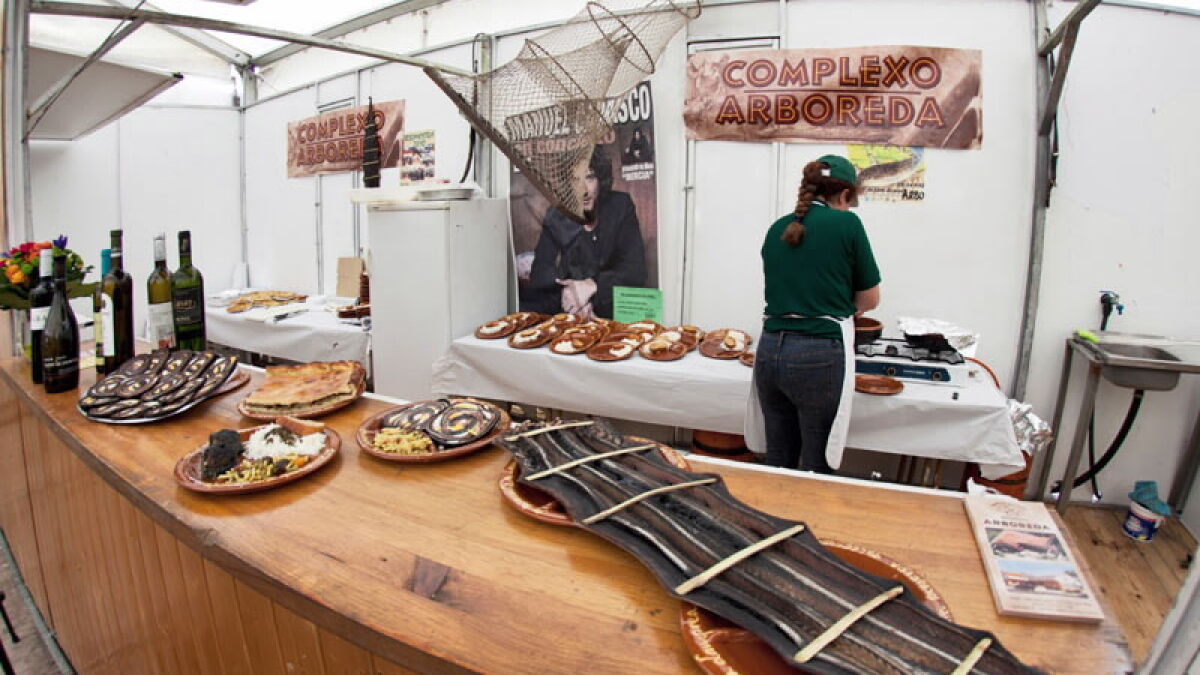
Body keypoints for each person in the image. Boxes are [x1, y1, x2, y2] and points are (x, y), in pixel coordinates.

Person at [754, 155, 881, 473]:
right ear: (845, 195)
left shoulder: (777, 228)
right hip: (818, 354)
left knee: (778, 461)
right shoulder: (847, 224)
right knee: (817, 465)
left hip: (769, 349)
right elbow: (870, 298)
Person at [521, 145, 647, 319]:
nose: (584, 191)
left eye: (589, 177)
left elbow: (635, 270)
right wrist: (571, 294)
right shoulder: (557, 214)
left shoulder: (620, 207)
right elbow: (540, 273)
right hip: (571, 310)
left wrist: (592, 286)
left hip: (612, 310)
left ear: (600, 179)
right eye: (575, 180)